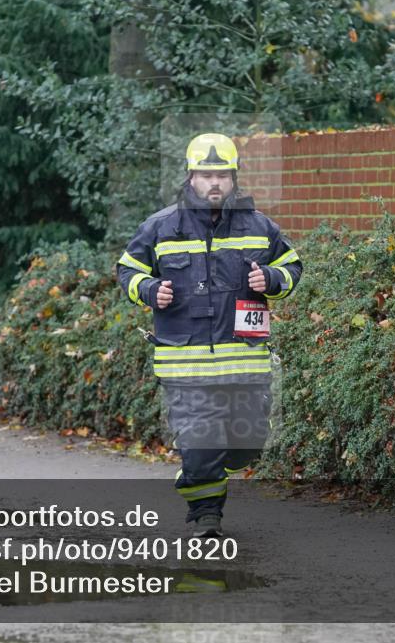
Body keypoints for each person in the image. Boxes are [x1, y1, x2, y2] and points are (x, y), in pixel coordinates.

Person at [115, 133, 303, 538]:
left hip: (246, 364)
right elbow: (127, 270)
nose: (214, 182)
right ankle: (205, 517)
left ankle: (210, 469)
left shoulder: (259, 226)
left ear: (234, 177)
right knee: (201, 448)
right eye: (205, 174)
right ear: (190, 177)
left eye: (222, 174)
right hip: (185, 366)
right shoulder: (161, 227)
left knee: (247, 445)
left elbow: (292, 266)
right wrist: (149, 290)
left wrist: (271, 278)